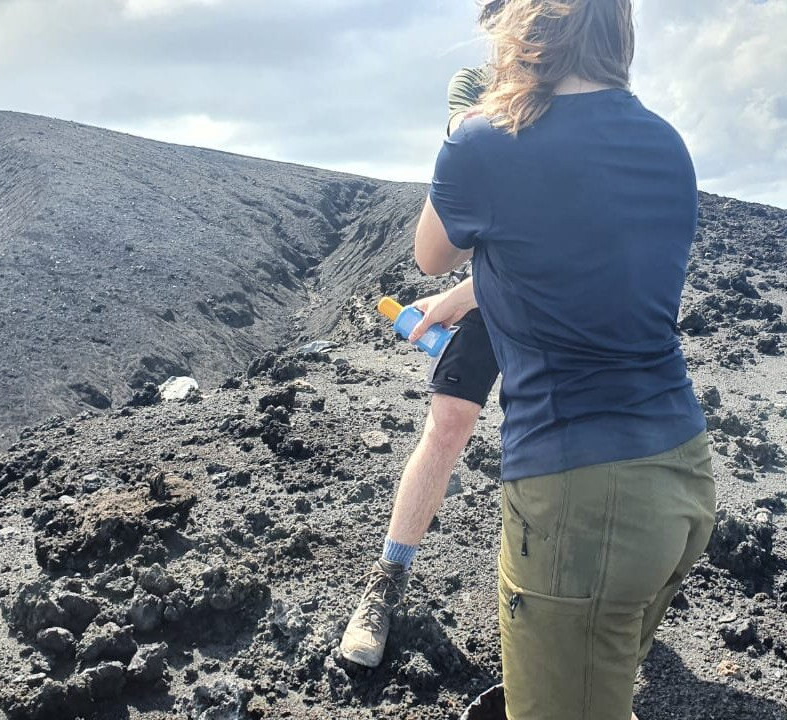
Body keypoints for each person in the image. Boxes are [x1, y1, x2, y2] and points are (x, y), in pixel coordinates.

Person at [411, 1, 717, 718]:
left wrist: (464, 121)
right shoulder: (666, 144)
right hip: (681, 477)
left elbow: (430, 253)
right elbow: (580, 256)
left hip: (579, 505)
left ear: (527, 29)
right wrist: (474, 293)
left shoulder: (483, 142)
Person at [338, 2, 507, 670]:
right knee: (448, 423)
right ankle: (386, 580)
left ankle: (598, 596)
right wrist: (461, 296)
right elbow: (468, 186)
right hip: (496, 284)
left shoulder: (579, 91)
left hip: (549, 287)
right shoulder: (473, 86)